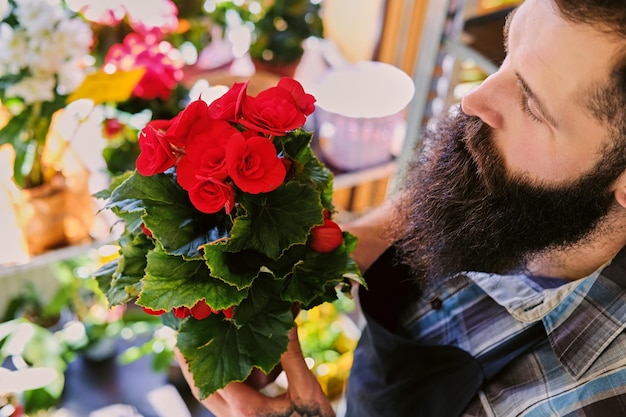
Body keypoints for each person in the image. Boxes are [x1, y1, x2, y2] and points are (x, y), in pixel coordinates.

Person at [177, 0, 626, 415]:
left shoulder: (588, 399)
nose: (473, 99)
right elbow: (466, 191)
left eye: (531, 104)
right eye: (507, 51)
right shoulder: (539, 192)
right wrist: (352, 245)